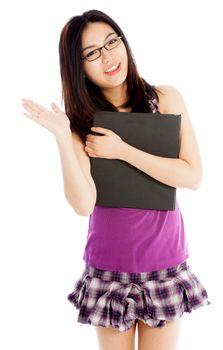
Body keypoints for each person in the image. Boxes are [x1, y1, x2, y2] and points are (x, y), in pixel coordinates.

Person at [21, 9, 211, 350]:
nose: (108, 56)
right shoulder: (81, 123)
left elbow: (192, 175)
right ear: (78, 67)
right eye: (92, 53)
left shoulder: (164, 98)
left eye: (112, 42)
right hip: (108, 269)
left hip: (164, 263)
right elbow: (83, 204)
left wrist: (122, 150)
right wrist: (64, 137)